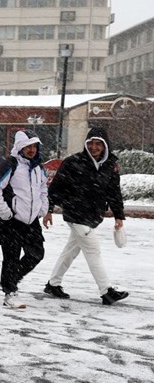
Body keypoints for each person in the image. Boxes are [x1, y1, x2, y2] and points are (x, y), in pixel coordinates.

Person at [43, 127, 128, 306]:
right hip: (75, 214)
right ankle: (106, 292)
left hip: (93, 215)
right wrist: (48, 210)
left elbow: (114, 192)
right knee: (93, 251)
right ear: (86, 144)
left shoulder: (110, 164)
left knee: (71, 251)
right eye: (91, 143)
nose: (94, 147)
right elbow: (56, 188)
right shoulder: (73, 162)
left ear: (105, 146)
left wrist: (118, 215)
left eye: (98, 143)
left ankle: (53, 284)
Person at [0, 130, 49, 309]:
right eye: (28, 146)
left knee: (36, 254)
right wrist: (4, 211)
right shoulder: (9, 165)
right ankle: (10, 292)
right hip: (10, 220)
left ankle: (9, 279)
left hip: (31, 220)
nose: (31, 150)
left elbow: (43, 189)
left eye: (34, 146)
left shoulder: (39, 168)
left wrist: (43, 207)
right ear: (19, 147)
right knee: (11, 257)